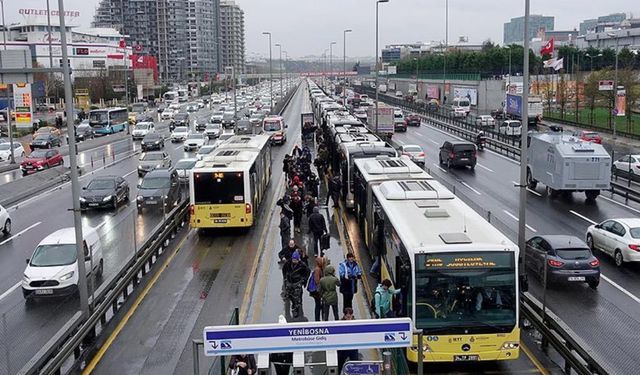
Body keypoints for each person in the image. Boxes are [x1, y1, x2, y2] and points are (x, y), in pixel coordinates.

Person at [282, 250, 310, 318]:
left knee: (297, 297)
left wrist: (304, 280)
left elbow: (307, 272)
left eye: (296, 260)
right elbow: (284, 270)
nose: (294, 261)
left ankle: (296, 309)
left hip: (297, 282)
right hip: (289, 282)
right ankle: (294, 304)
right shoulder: (288, 263)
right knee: (289, 296)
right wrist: (285, 278)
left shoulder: (302, 265)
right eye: (293, 260)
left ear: (298, 259)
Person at [309, 256, 326, 321]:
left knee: (318, 304)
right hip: (317, 291)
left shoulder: (319, 268)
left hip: (317, 291)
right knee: (318, 304)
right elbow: (317, 281)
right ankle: (318, 319)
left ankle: (318, 318)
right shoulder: (318, 269)